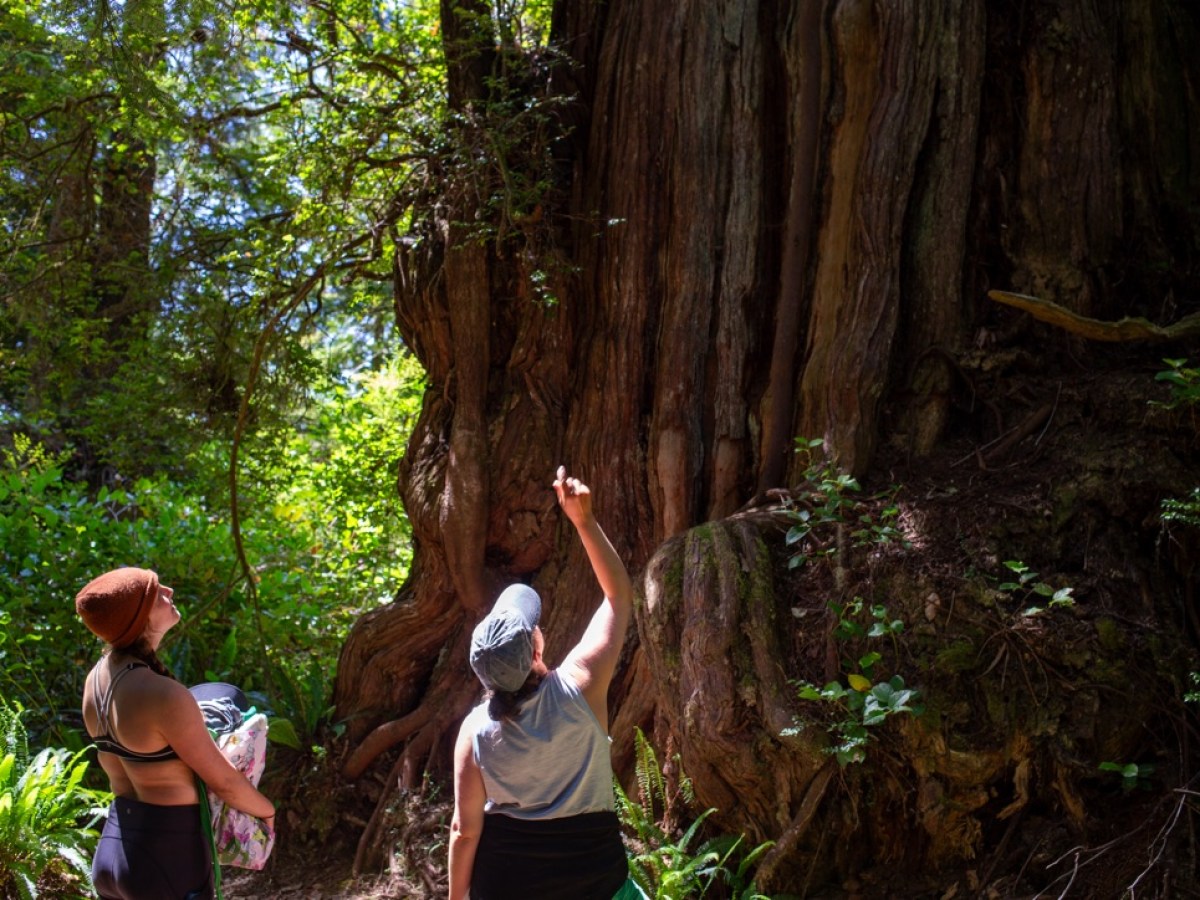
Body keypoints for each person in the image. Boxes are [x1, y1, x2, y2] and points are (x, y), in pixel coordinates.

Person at [449, 469, 642, 900]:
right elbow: (618, 597)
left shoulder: (475, 731)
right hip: (596, 883)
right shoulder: (581, 687)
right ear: (537, 647)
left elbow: (464, 831)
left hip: (506, 886)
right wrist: (583, 520)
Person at [76, 567, 275, 900]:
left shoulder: (96, 680)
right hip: (166, 857)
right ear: (139, 620)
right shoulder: (162, 694)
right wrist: (267, 812)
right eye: (156, 594)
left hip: (113, 849)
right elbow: (223, 781)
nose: (169, 589)